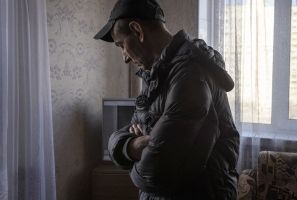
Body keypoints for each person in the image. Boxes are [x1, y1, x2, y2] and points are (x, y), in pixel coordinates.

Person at [94, 0, 240, 199]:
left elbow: (155, 172)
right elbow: (124, 133)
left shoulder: (190, 75)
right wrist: (132, 146)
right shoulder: (157, 73)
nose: (124, 58)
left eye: (121, 45)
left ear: (137, 31)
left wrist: (141, 149)